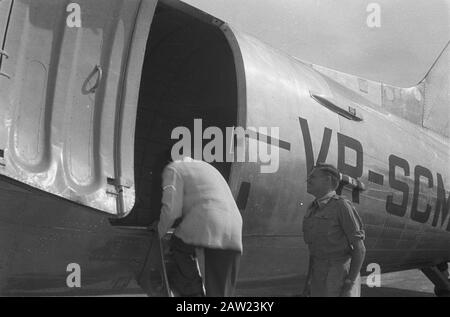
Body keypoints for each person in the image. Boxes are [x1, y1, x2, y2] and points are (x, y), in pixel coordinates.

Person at [156, 154, 243, 297]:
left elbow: (172, 211)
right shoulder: (207, 168)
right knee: (221, 293)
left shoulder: (173, 169)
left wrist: (158, 232)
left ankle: (193, 293)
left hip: (209, 221)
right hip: (234, 229)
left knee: (177, 245)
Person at [302, 163, 366, 297]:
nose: (308, 180)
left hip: (338, 277)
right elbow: (313, 251)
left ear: (328, 180)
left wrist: (349, 284)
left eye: (313, 177)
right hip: (317, 277)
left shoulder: (342, 206)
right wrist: (308, 282)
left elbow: (359, 249)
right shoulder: (312, 208)